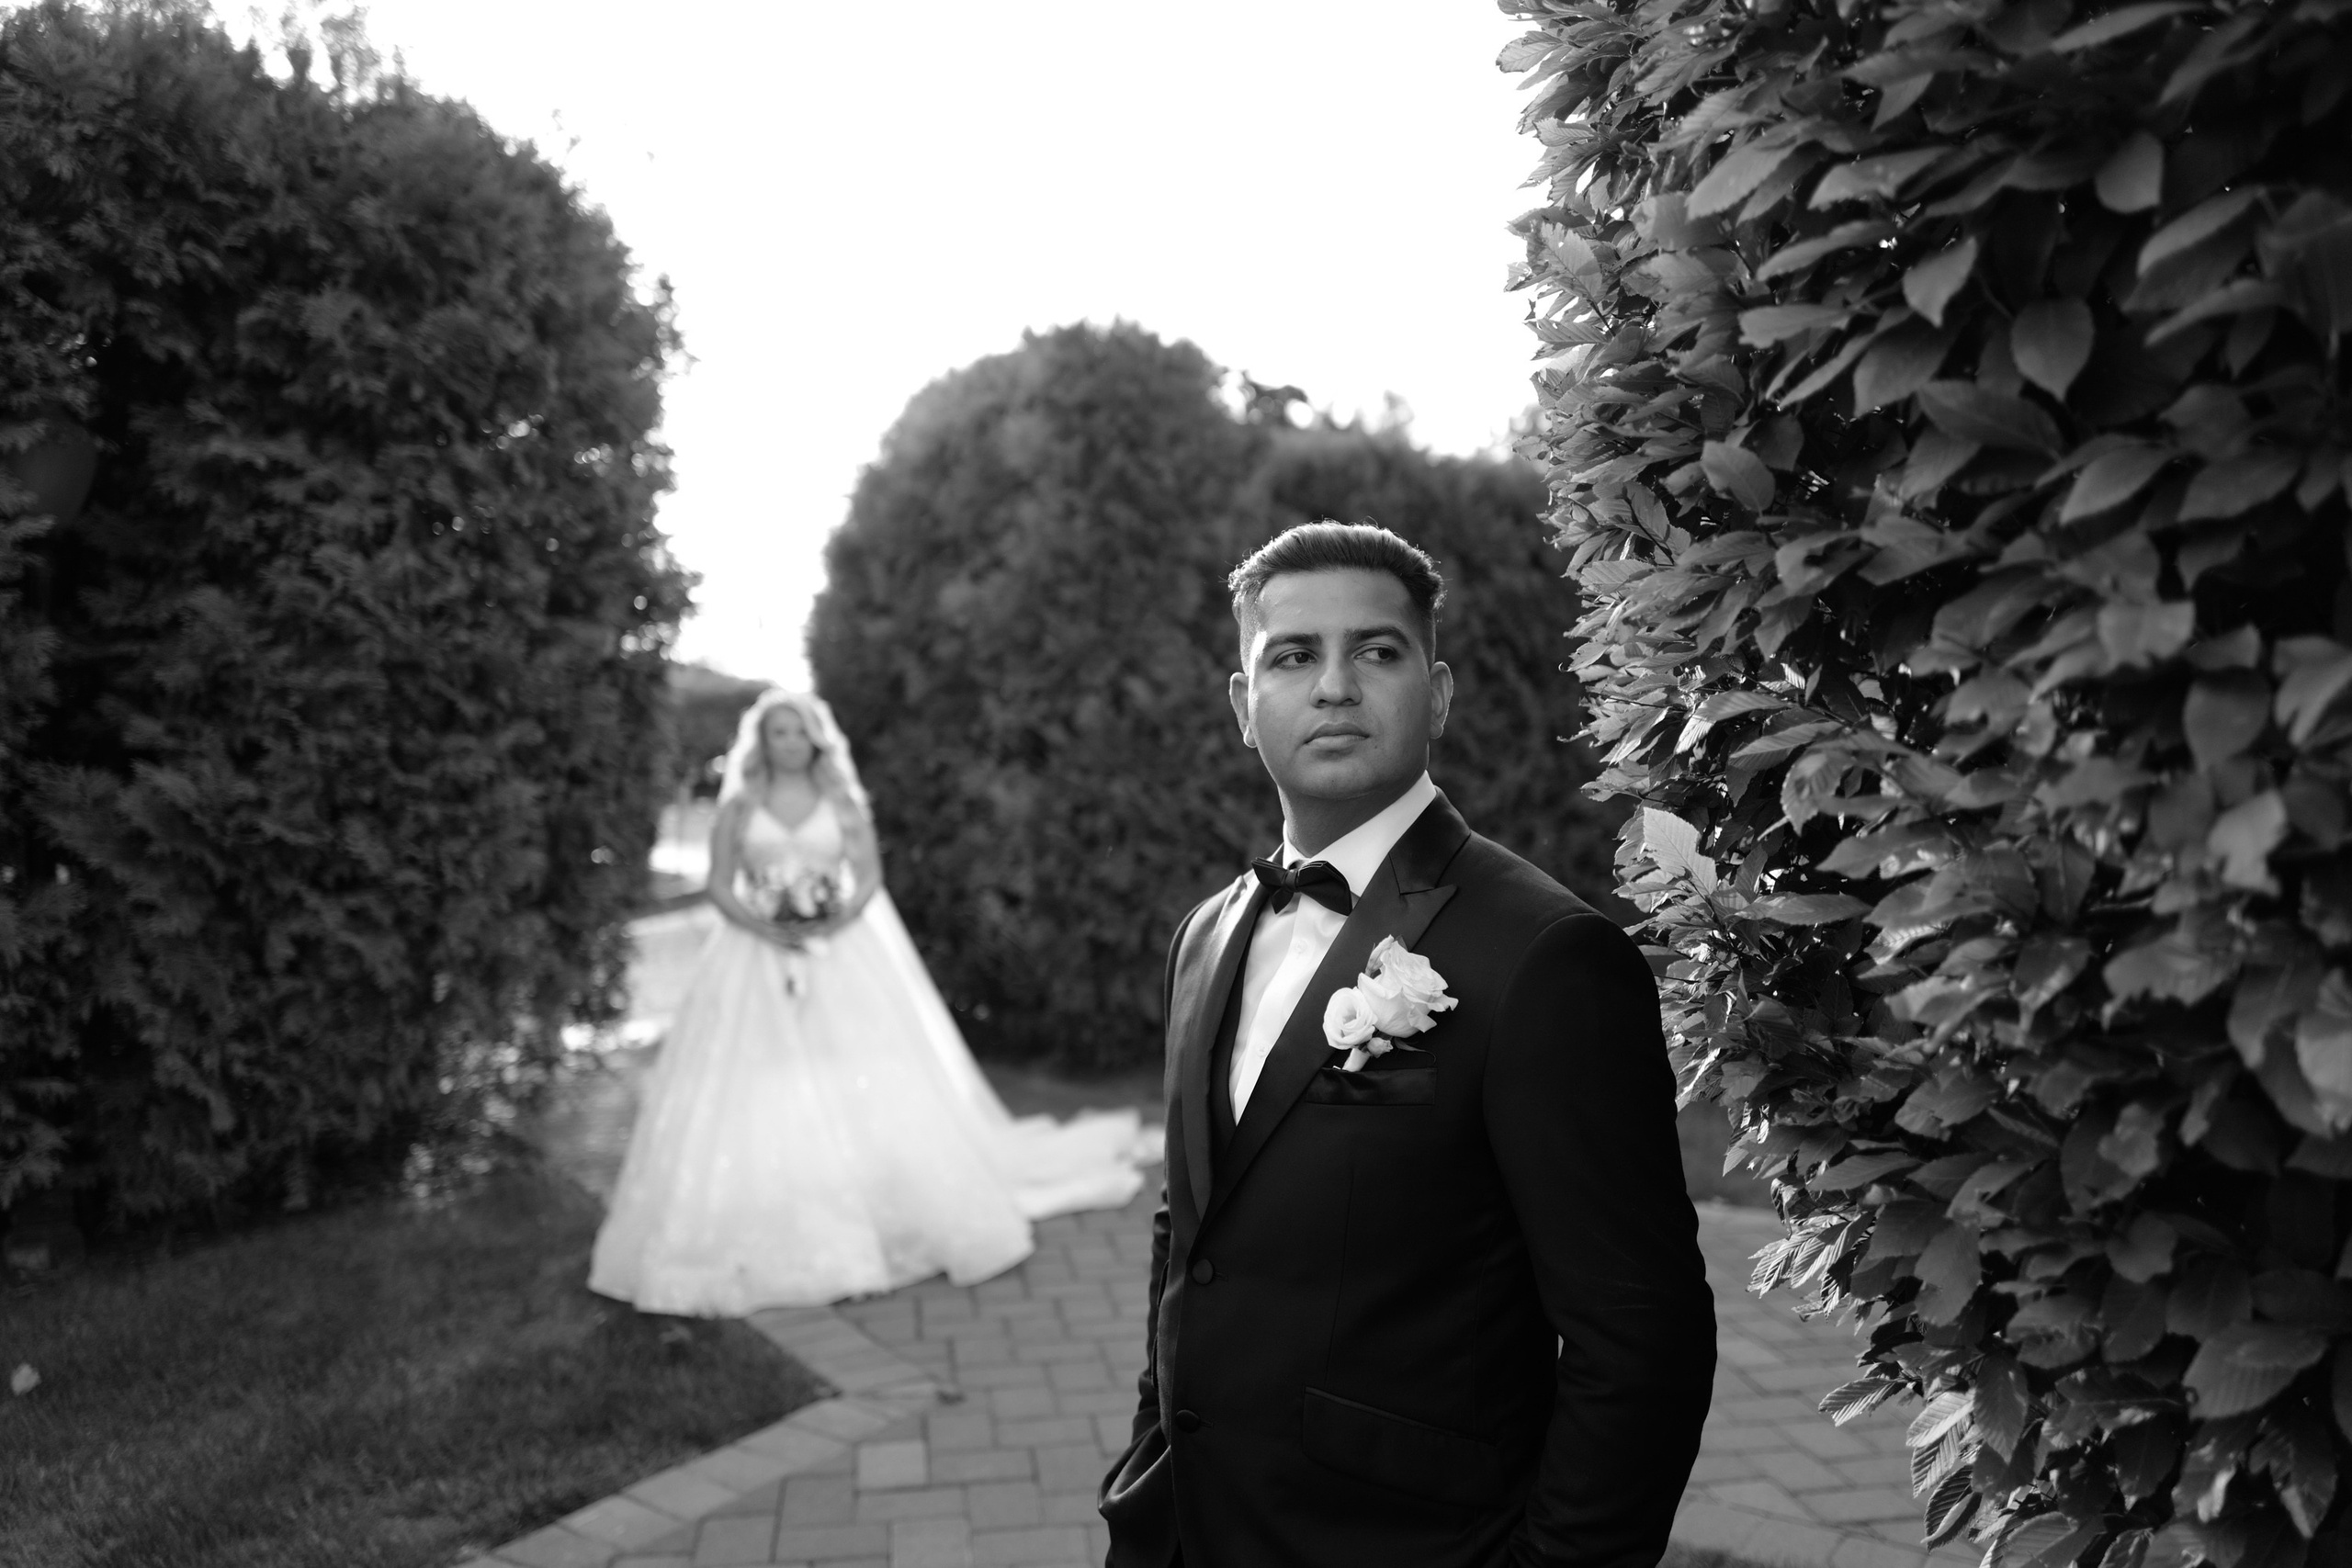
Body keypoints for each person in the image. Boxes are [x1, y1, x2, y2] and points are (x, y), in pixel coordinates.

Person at [1098, 523, 1715, 1567]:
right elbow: (1190, 1227)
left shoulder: (1545, 956)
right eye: (1293, 656)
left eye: (1374, 652)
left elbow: (1642, 1340)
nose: (1332, 685)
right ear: (1246, 709)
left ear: (1436, 694)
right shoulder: (1204, 937)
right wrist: (1150, 1458)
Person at [590, 689, 1156, 1315]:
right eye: (776, 732)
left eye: (797, 732)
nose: (787, 743)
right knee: (758, 1078)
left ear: (815, 739)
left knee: (861, 1072)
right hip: (753, 952)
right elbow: (720, 883)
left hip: (839, 951)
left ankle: (873, 1195)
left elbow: (868, 879)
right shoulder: (739, 806)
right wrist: (765, 923)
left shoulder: (842, 801)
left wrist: (830, 919)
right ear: (761, 741)